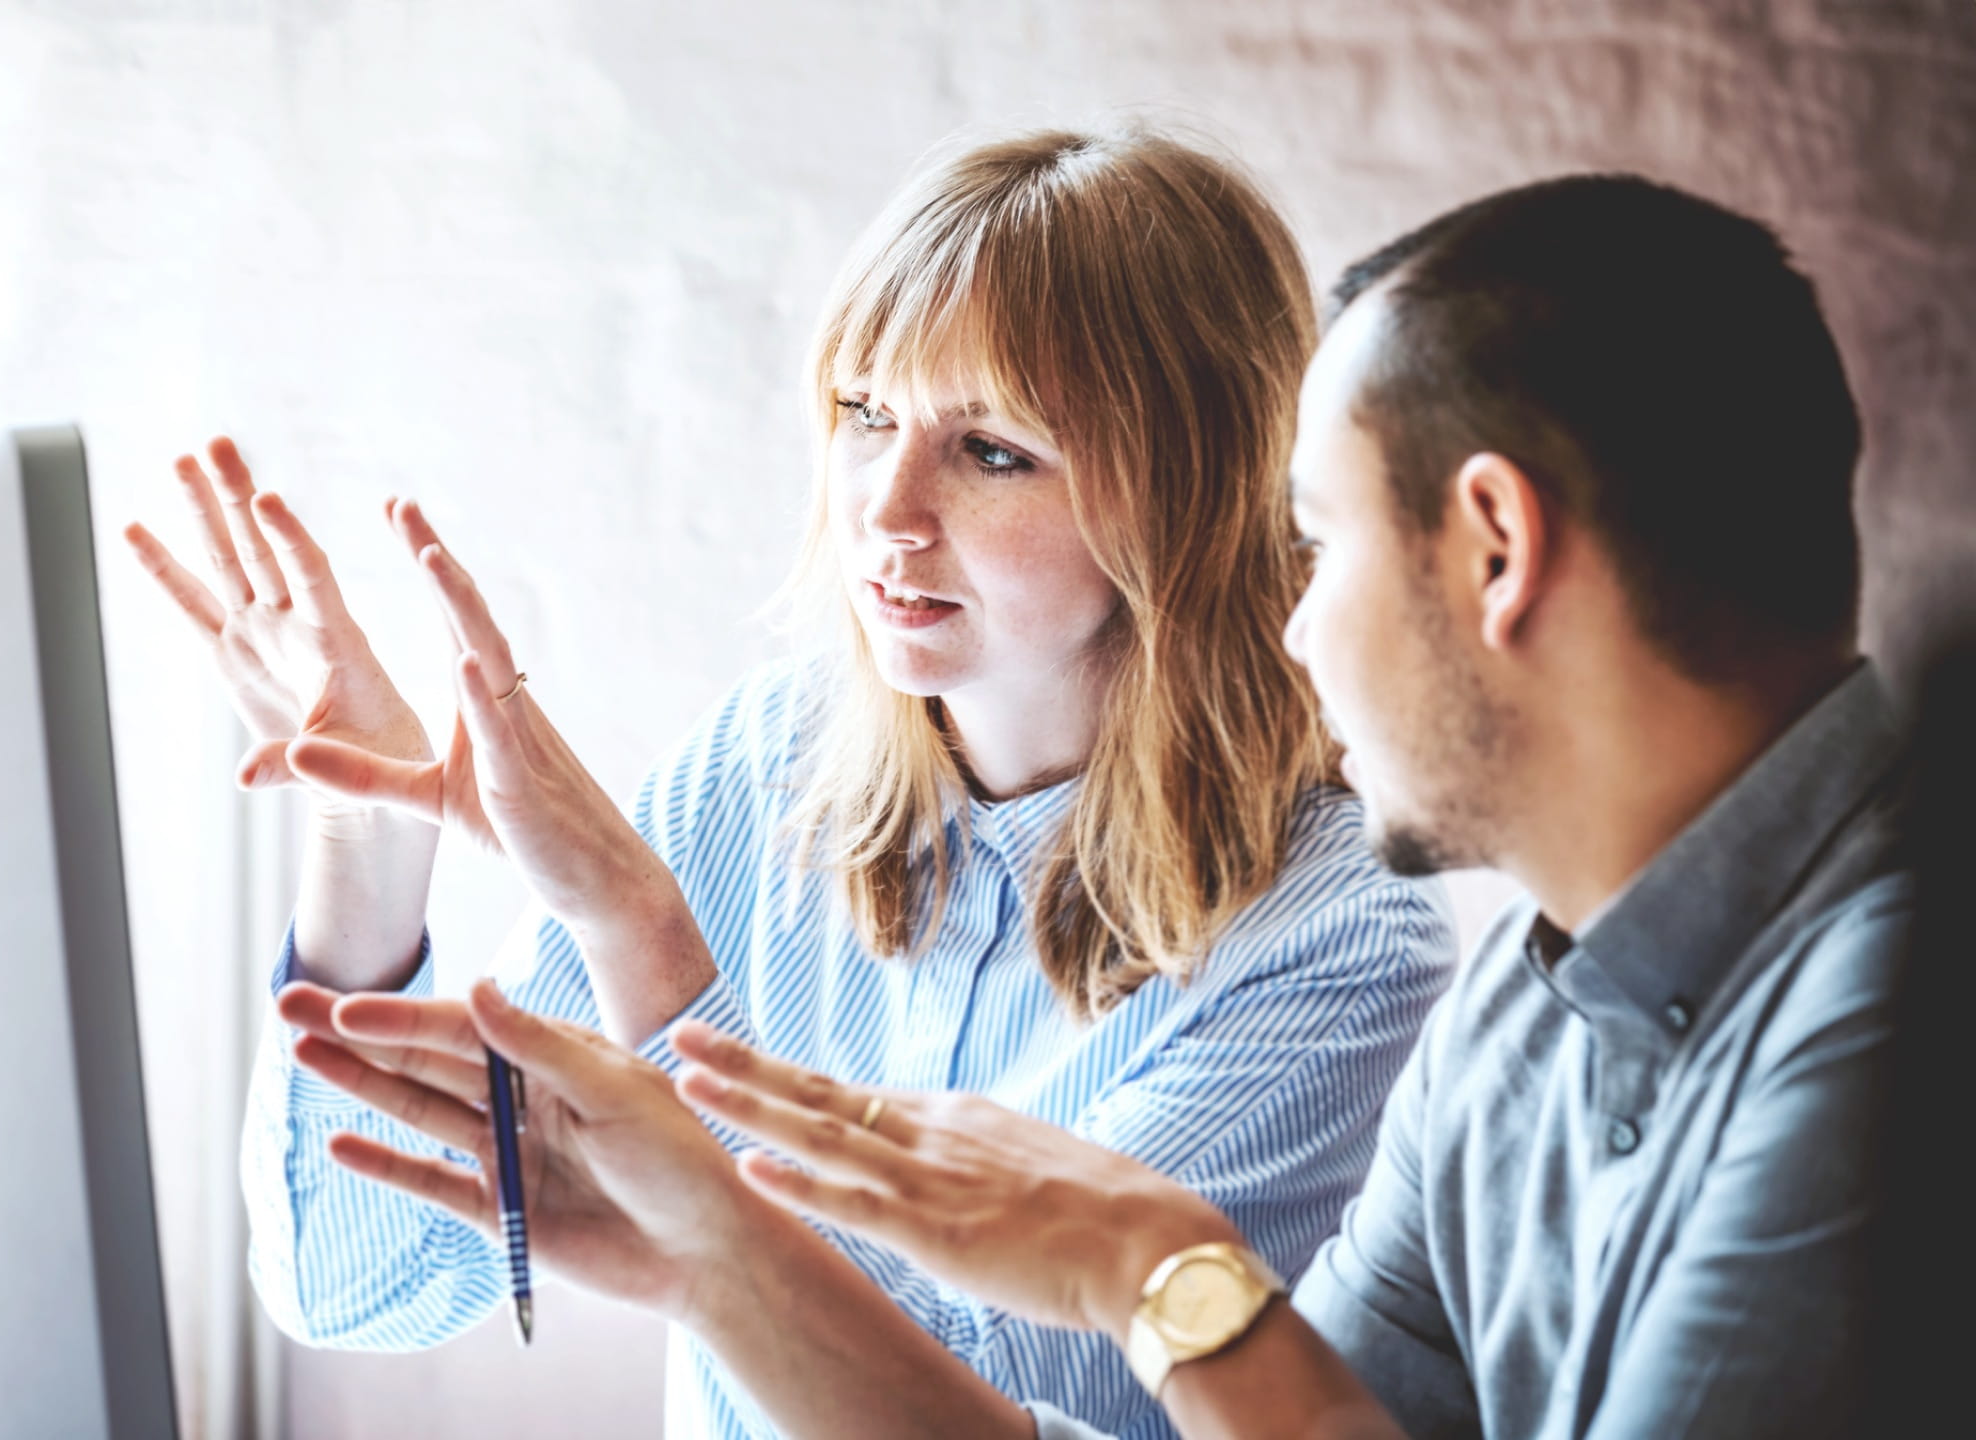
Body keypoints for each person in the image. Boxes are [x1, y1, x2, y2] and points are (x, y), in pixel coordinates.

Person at [309, 172, 1908, 1439]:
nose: (1292, 621)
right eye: (863, 417)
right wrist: (724, 1263)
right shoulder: (1528, 1009)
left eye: (1323, 543)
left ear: (1496, 549)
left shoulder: (1891, 1028)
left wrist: (1152, 1271)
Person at [124, 125, 1454, 1440]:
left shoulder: (1338, 932)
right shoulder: (767, 766)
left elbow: (974, 1399)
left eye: (992, 449)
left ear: (1191, 493)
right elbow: (363, 1283)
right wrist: (367, 828)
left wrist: (641, 939)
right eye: (865, 416)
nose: (886, 508)